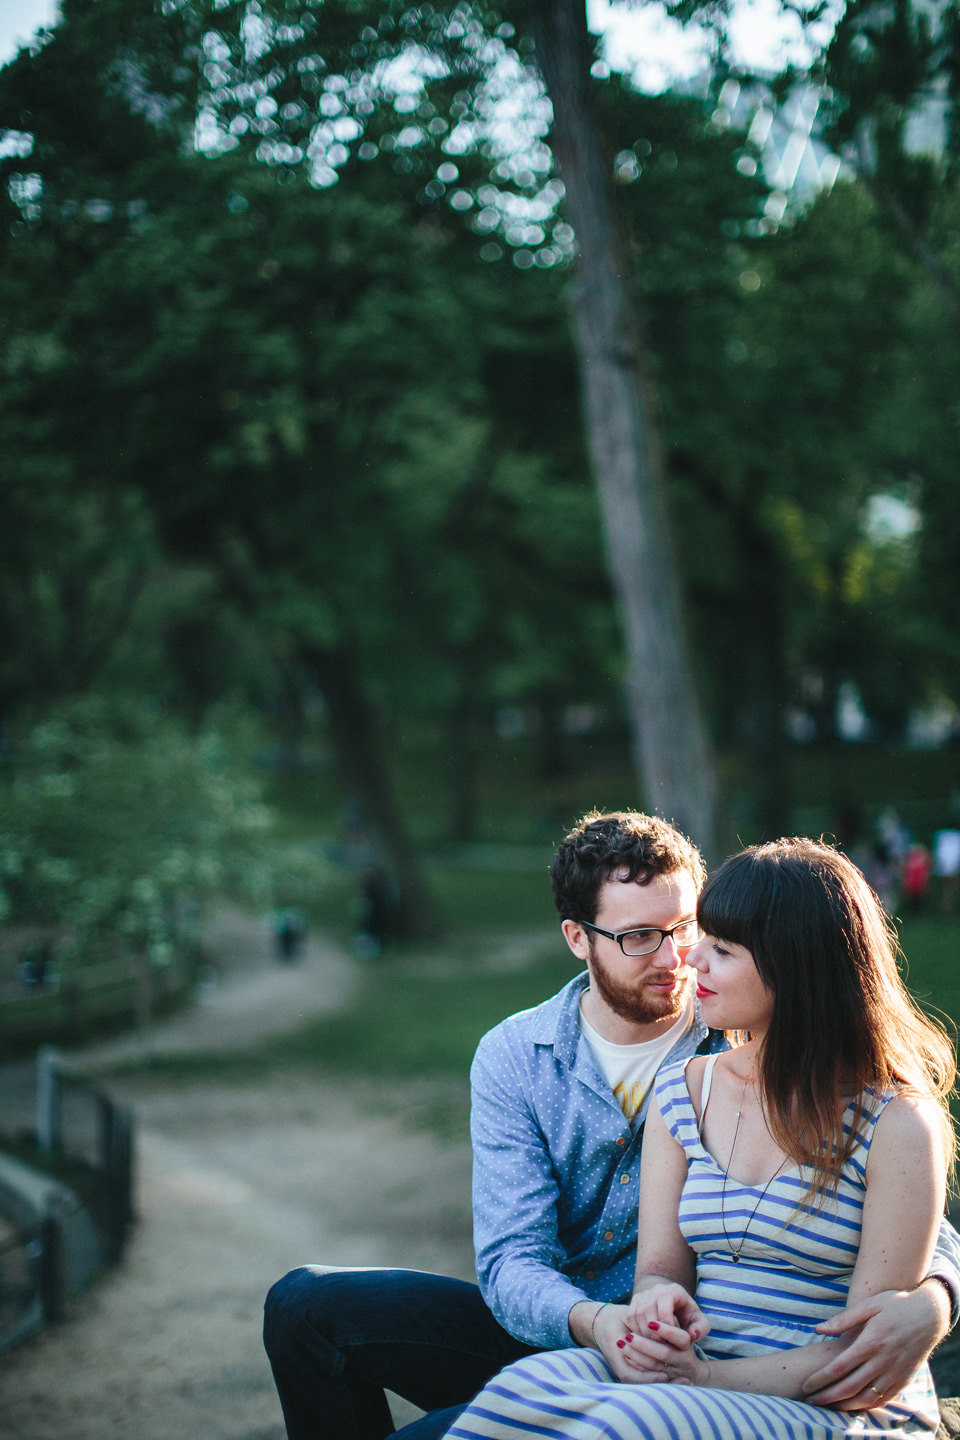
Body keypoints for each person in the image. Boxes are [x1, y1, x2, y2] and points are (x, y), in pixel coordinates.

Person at [263, 814, 960, 1440]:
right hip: (570, 1330)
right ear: (578, 938)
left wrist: (935, 1297)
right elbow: (512, 1263)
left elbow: (902, 1201)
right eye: (639, 937)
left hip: (699, 1354)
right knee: (306, 1306)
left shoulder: (747, 1032)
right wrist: (602, 1323)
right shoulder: (517, 1056)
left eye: (687, 929)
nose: (676, 958)